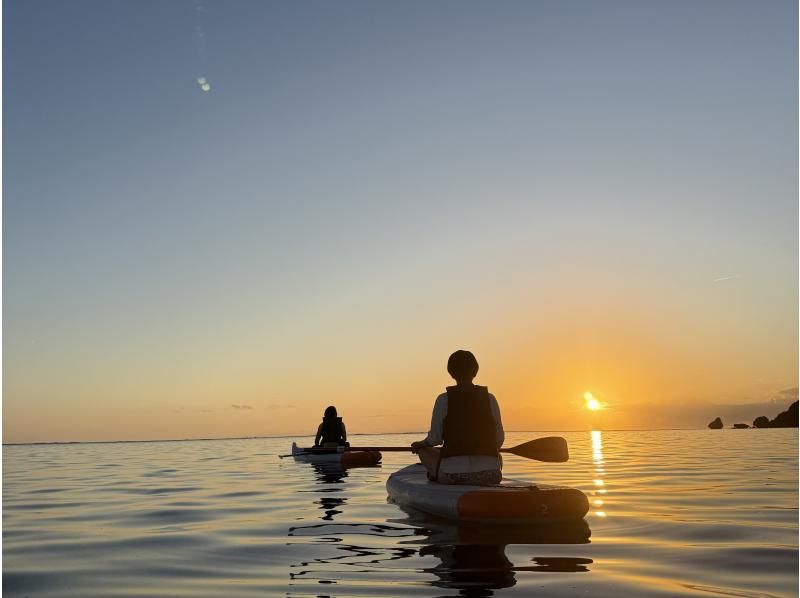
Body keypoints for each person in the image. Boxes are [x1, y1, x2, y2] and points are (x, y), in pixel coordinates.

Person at [411, 350, 504, 485]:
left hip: (452, 475)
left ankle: (434, 474)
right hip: (491, 475)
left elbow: (435, 439)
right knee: (498, 455)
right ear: (475, 371)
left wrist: (421, 445)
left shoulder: (443, 399)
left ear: (451, 373)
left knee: (424, 451)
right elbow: (499, 440)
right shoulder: (490, 399)